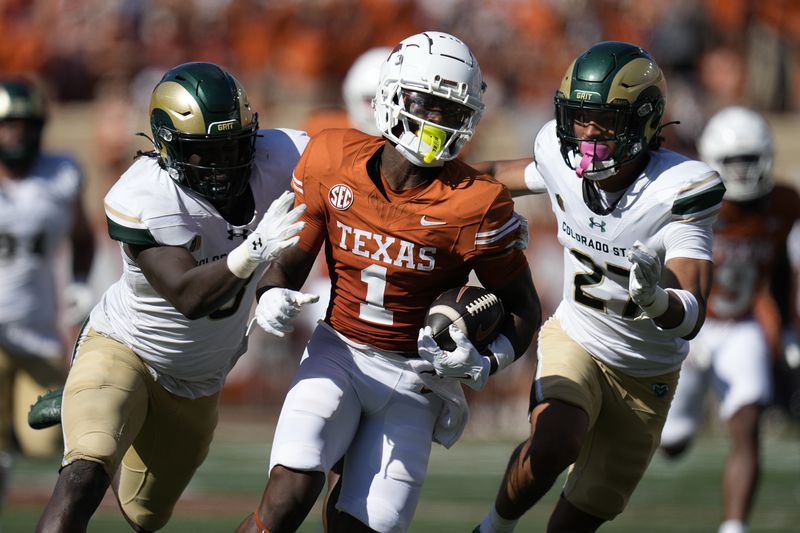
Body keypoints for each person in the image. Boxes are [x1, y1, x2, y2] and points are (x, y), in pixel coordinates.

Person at [235, 31, 541, 533]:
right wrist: (269, 295)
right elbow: (289, 262)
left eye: (449, 109)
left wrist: (488, 359)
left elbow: (523, 308)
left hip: (417, 380)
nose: (436, 119)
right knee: (289, 494)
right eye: (426, 102)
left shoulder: (478, 203)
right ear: (391, 95)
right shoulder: (331, 158)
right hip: (339, 351)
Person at [34, 61, 309, 532]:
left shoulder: (282, 154)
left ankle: (110, 411)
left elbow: (351, 173)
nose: (225, 163)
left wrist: (275, 283)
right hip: (126, 347)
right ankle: (96, 399)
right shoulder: (145, 194)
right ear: (168, 148)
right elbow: (187, 295)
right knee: (84, 474)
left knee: (145, 514)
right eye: (207, 152)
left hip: (197, 381)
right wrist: (256, 249)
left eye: (234, 145)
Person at [471, 41, 726, 532]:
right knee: (554, 441)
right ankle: (490, 528)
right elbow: (490, 178)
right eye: (580, 117)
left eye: (605, 120)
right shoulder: (557, 156)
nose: (588, 133)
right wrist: (425, 179)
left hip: (645, 373)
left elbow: (691, 313)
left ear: (644, 120)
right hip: (578, 337)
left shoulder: (680, 188)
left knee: (582, 515)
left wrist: (655, 298)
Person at [660, 106, 800, 533]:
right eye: (733, 161)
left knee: (747, 422)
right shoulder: (693, 198)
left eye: (749, 160)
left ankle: (734, 526)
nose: (742, 172)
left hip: (740, 327)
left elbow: (781, 271)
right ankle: (677, 428)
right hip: (687, 325)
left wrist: (790, 328)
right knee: (672, 441)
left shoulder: (783, 204)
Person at [0, 78, 95, 519]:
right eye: (7, 125)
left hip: (36, 334)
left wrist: (78, 280)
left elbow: (81, 235)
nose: (15, 134)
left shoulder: (62, 172)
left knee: (43, 439)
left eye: (23, 124)